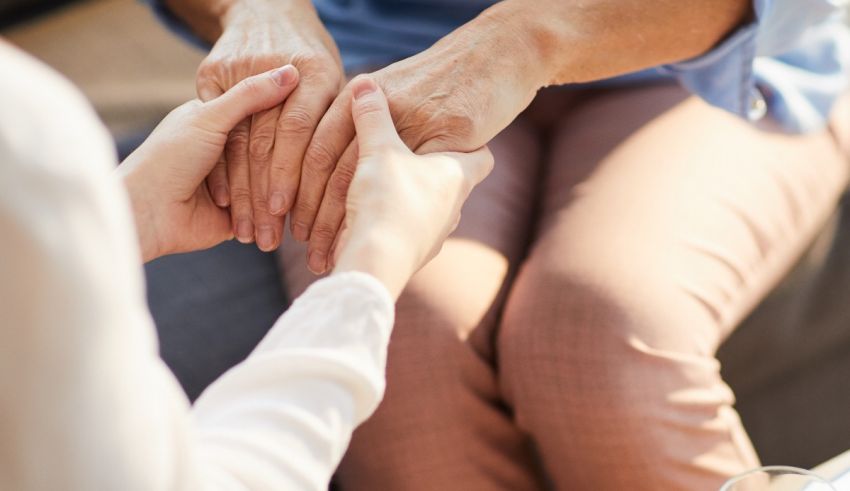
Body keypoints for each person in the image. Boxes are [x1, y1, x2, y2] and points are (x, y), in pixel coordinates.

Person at [154, 0, 850, 488]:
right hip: (389, 54)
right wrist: (256, 9)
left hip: (697, 61)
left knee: (601, 334)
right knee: (396, 334)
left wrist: (523, 37)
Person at [0, 40, 491, 490]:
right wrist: (376, 259)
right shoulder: (28, 137)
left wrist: (127, 214)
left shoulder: (29, 138)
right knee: (425, 338)